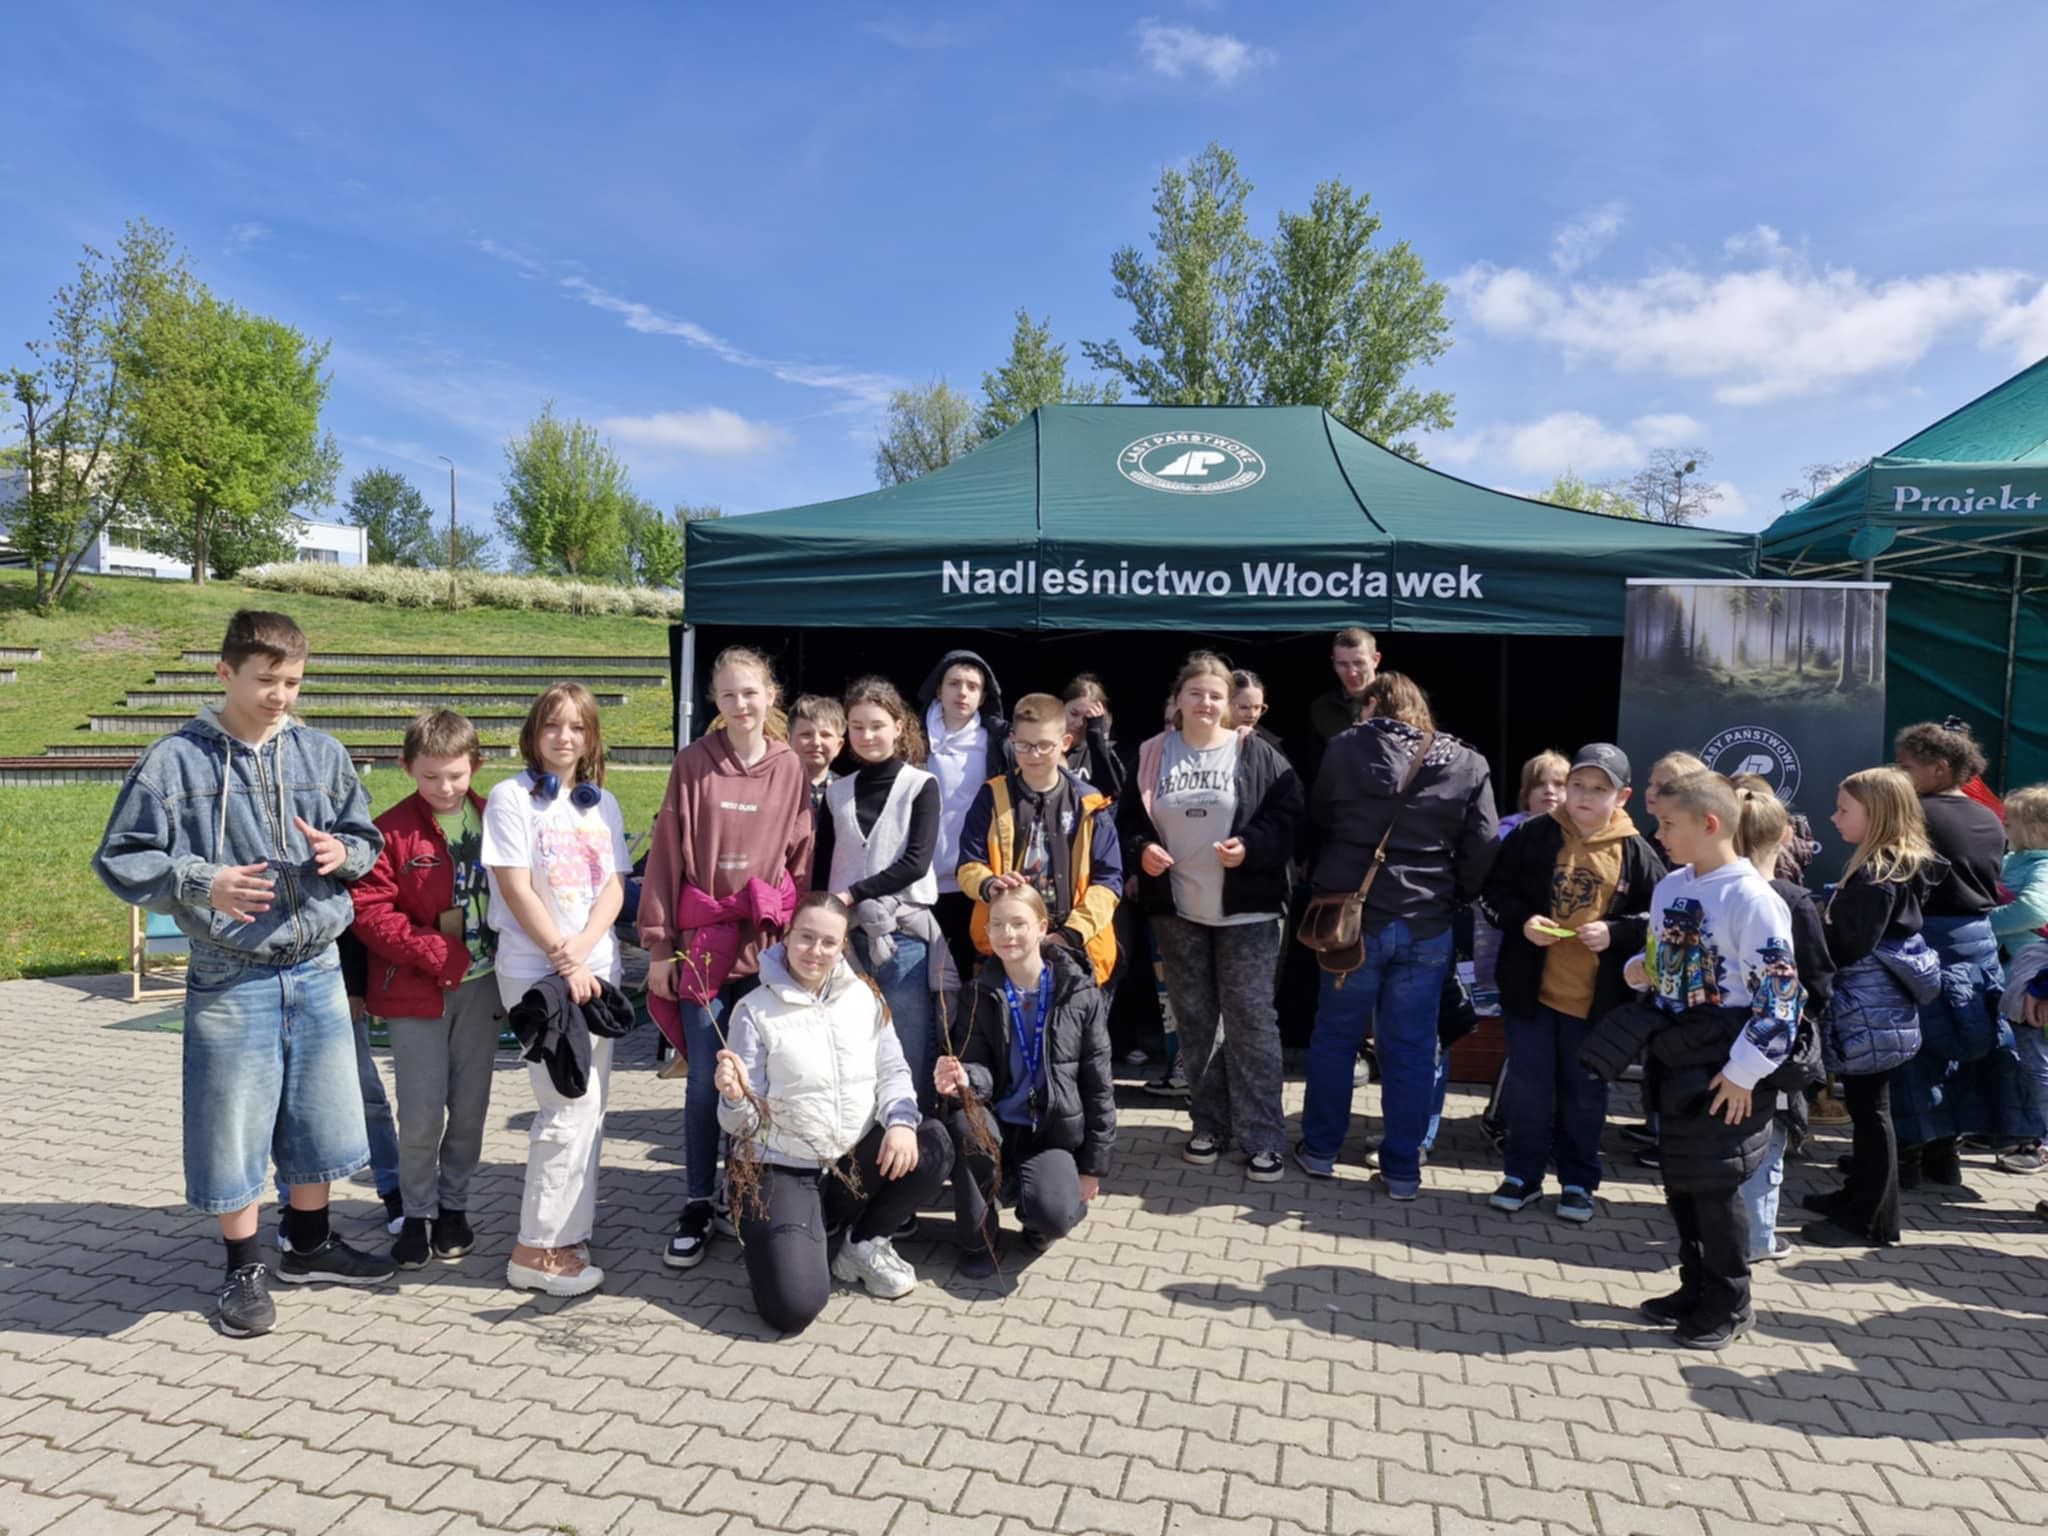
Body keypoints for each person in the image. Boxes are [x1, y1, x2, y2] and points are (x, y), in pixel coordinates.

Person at [94, 610, 393, 1338]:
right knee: (231, 1125)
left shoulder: (323, 753)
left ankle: (309, 1245)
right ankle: (243, 1265)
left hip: (317, 966)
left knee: (319, 1116)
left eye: (293, 681)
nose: (280, 695)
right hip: (232, 976)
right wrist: (204, 882)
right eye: (266, 680)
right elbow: (122, 857)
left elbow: (364, 838)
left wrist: (343, 855)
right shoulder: (174, 762)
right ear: (225, 673)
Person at [1580, 771, 1804, 1351]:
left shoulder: (1752, 898)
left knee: (1714, 1185)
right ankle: (1694, 1287)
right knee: (1682, 1179)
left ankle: (1730, 1303)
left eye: (1668, 823)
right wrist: (1642, 970)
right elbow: (1666, 958)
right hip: (1676, 1051)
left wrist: (1743, 1074)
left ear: (1709, 824)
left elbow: (1780, 997)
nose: (1658, 834)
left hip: (1726, 1060)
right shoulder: (1673, 885)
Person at [640, 648, 814, 1271]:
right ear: (716, 700)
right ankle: (696, 1200)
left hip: (763, 946)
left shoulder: (789, 767)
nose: (742, 704)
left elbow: (801, 860)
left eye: (752, 692)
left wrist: (795, 939)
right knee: (703, 1080)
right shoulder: (694, 762)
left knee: (762, 1077)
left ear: (771, 695)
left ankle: (747, 1193)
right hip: (702, 948)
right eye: (730, 694)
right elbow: (666, 854)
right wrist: (658, 945)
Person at [1296, 672, 1497, 1197]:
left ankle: (1319, 1151)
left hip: (1352, 921)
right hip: (1427, 922)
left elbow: (1320, 819)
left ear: (1374, 706)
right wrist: (1453, 895)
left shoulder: (1345, 748)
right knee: (1411, 1048)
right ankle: (1403, 1170)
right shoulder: (1468, 761)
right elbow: (1482, 845)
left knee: (1336, 1038)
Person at [713, 894, 955, 1331]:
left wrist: (900, 1123)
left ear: (843, 944)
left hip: (850, 1162)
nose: (815, 951)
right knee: (793, 1308)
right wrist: (734, 1097)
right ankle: (791, 1233)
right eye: (806, 937)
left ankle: (861, 1242)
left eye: (829, 942)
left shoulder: (865, 996)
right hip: (783, 1166)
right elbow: (741, 1126)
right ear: (787, 936)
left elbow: (894, 1070)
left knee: (931, 1142)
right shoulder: (753, 1011)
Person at [1120, 652, 1303, 1183]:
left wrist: (1251, 846)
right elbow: (1128, 821)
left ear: (1228, 703)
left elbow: (1289, 818)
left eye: (1215, 695)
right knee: (1196, 1022)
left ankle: (1262, 1137)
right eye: (1195, 693)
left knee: (1250, 1022)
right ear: (1178, 699)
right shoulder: (1153, 752)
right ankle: (1208, 1125)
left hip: (1247, 912)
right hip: (1177, 910)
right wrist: (1142, 849)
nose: (1205, 703)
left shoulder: (1257, 752)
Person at [483, 683, 632, 1297]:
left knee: (590, 1109)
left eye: (577, 727)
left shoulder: (603, 804)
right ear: (533, 733)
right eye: (552, 725)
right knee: (565, 1106)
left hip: (595, 969)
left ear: (591, 736)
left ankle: (570, 1234)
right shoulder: (510, 798)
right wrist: (564, 959)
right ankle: (535, 1250)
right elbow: (515, 887)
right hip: (538, 975)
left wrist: (586, 949)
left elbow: (615, 886)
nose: (564, 737)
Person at [1480, 744, 1662, 1223]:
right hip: (1531, 994)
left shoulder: (1636, 851)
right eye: (1577, 785)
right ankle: (1521, 1175)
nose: (1584, 795)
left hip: (1596, 1003)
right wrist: (1522, 921)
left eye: (1599, 789)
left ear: (1622, 797)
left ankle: (1579, 1181)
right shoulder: (1533, 834)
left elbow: (1660, 920)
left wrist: (1616, 932)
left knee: (1585, 1094)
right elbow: (1493, 893)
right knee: (1529, 1089)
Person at [350, 709, 504, 1269]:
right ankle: (416, 1212)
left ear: (475, 766)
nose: (444, 787)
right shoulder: (389, 831)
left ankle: (454, 1208)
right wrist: (436, 952)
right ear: (407, 767)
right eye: (430, 776)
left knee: (469, 1108)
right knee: (419, 1114)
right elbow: (370, 911)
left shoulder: (498, 819)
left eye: (456, 775)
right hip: (416, 991)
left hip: (484, 989)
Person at [1893, 720, 2043, 1184]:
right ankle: (1944, 1158)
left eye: (1907, 767)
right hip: (1977, 947)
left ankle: (1907, 1159)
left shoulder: (1917, 815)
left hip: (1929, 943)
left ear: (1940, 767)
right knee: (1962, 1052)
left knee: (1915, 1054)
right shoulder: (1986, 818)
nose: (1900, 775)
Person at [940, 886, 1116, 1280]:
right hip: (999, 1122)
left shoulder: (1079, 995)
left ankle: (1038, 1207)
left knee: (1053, 1215)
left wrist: (1092, 1168)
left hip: (1050, 1131)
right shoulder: (978, 993)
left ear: (1041, 927)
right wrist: (967, 1077)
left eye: (1019, 924)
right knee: (965, 1124)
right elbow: (978, 1066)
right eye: (997, 924)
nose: (1008, 934)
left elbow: (1099, 1087)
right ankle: (979, 1242)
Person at [1797, 769, 1942, 1249]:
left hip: (1870, 1006)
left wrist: (1814, 932)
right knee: (1867, 1108)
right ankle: (1859, 1197)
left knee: (1872, 1110)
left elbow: (1851, 944)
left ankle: (1871, 1220)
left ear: (1876, 814)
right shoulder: (1888, 865)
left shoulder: (1877, 874)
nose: (1833, 817)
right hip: (1878, 1007)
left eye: (1844, 809)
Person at [827, 676, 947, 1119]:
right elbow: (824, 865)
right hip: (845, 939)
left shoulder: (921, 785)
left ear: (898, 727)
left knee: (909, 1047)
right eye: (857, 726)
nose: (867, 735)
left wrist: (854, 892)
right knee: (851, 1046)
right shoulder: (836, 792)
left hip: (903, 939)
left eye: (876, 725)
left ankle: (913, 1136)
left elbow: (915, 862)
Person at [958, 692, 1123, 996]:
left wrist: (1069, 934)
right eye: (1024, 745)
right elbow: (968, 864)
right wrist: (989, 883)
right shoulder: (992, 795)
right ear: (1012, 740)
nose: (1033, 755)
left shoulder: (1090, 802)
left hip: (1076, 946)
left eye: (1044, 746)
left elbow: (1108, 881)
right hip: (1007, 945)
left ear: (1065, 742)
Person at [1730, 787, 1834, 1262]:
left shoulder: (1716, 892)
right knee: (1769, 1136)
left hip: (1722, 1037)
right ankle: (1756, 1238)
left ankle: (1719, 1229)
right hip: (1776, 1043)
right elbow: (1817, 976)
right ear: (1787, 836)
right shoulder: (1793, 900)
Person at [919, 650, 1011, 987]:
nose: (962, 692)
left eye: (973, 686)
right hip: (919, 880)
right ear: (938, 689)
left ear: (983, 697)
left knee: (967, 975)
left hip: (974, 878)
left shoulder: (998, 742)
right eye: (954, 683)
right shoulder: (913, 737)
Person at [1989, 786, 2048, 1172]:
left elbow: (2034, 910)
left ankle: (2039, 1140)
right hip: (2019, 978)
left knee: (2036, 1064)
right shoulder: (2018, 859)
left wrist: (1983, 925)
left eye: (2010, 822)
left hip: (2032, 984)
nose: (2003, 826)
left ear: (2036, 829)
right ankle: (2017, 1130)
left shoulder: (2042, 866)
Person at [790, 695, 847, 894]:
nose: (816, 742)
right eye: (806, 734)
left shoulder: (850, 792)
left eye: (825, 735)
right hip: (787, 888)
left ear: (839, 745)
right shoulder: (776, 789)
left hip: (834, 890)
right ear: (789, 739)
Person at [1061, 674, 1128, 800]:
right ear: (1061, 707)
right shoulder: (1047, 747)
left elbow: (1113, 793)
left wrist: (1096, 735)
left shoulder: (1097, 751)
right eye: (1074, 714)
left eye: (1088, 718)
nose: (1079, 723)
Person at [1230, 670, 1288, 760]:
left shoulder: (1269, 743)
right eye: (1244, 707)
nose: (1252, 715)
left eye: (1257, 707)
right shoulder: (1208, 738)